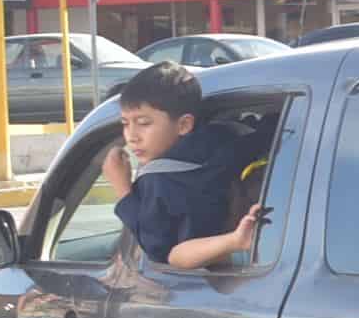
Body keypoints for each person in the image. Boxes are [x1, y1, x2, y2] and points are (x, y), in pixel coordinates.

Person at [100, 62, 264, 270]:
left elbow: (157, 249)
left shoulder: (156, 180)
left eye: (143, 123)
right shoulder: (230, 139)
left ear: (184, 124)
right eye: (125, 123)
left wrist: (123, 189)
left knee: (175, 255)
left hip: (217, 271)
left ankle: (235, 240)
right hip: (254, 260)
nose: (131, 136)